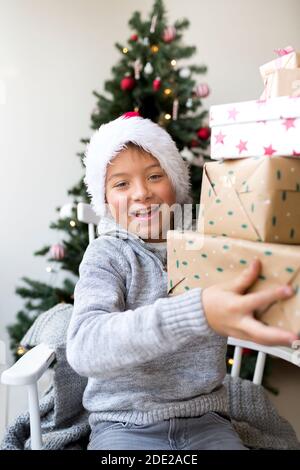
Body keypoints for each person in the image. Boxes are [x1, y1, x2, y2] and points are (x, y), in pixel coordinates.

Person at [66, 113, 297, 450]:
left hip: (206, 422)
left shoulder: (212, 243)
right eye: (121, 184)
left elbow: (264, 286)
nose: (141, 193)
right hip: (124, 424)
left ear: (175, 182)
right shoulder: (107, 256)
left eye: (155, 176)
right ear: (104, 200)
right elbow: (85, 346)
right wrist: (196, 311)